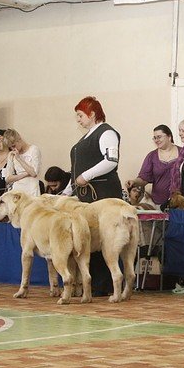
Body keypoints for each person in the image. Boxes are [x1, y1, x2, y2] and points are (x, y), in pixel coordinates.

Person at [67, 96, 123, 297]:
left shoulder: (106, 132)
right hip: (87, 197)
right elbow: (76, 170)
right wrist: (67, 191)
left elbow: (111, 160)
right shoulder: (88, 135)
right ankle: (96, 284)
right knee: (92, 240)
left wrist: (85, 176)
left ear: (92, 114)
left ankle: (105, 284)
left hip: (104, 194)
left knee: (106, 240)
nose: (78, 120)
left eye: (80, 115)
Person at [126, 125, 181, 207]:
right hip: (158, 203)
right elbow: (144, 178)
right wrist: (134, 181)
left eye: (159, 137)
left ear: (169, 137)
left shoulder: (183, 153)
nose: (156, 140)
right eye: (154, 138)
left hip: (180, 202)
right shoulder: (152, 156)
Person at [3, 129, 41, 197]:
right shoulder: (11, 155)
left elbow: (34, 173)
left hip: (31, 188)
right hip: (17, 189)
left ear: (19, 139)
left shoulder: (34, 149)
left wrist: (19, 159)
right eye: (10, 147)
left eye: (14, 146)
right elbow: (8, 178)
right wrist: (25, 174)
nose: (13, 149)